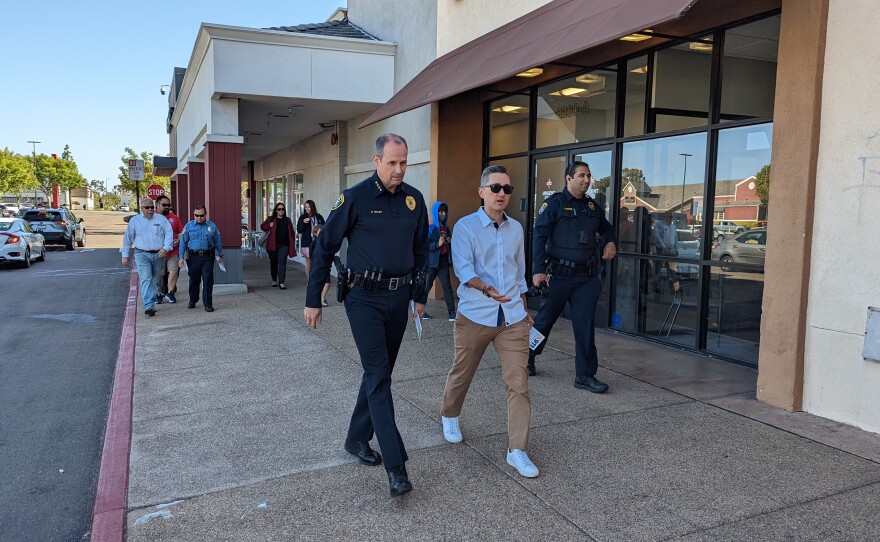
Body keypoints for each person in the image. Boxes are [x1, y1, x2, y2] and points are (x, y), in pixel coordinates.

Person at [304, 133, 429, 497]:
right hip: (363, 300)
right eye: (392, 163)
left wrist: (419, 296)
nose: (399, 170)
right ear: (377, 161)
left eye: (403, 163)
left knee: (379, 374)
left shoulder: (413, 200)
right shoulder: (355, 197)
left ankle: (356, 438)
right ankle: (396, 467)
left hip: (399, 298)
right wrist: (314, 298)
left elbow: (422, 251)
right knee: (378, 376)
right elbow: (324, 246)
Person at [440, 165, 539, 478]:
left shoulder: (516, 229)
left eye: (506, 189)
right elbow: (463, 270)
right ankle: (450, 413)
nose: (501, 194)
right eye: (495, 188)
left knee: (518, 384)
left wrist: (524, 310)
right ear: (481, 191)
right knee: (462, 371)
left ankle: (517, 449)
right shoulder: (466, 227)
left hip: (512, 319)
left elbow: (519, 272)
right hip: (475, 315)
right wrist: (486, 288)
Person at [529, 161, 616, 392]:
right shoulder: (554, 204)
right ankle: (527, 356)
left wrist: (610, 241)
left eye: (589, 175)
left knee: (585, 327)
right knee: (543, 322)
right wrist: (538, 270)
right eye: (581, 175)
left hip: (585, 279)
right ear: (569, 179)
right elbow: (539, 237)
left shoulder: (592, 207)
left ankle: (585, 376)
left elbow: (607, 228)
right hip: (557, 276)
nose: (586, 179)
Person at [120, 198, 173, 316]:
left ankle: (151, 301)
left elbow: (169, 233)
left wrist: (166, 248)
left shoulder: (161, 219)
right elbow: (127, 238)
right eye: (147, 208)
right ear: (141, 208)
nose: (150, 210)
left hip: (158, 254)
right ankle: (149, 305)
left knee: (155, 280)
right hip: (141, 253)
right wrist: (125, 255)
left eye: (152, 207)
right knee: (146, 278)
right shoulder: (135, 221)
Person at [178, 205, 225, 312]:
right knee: (194, 280)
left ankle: (208, 304)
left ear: (205, 214)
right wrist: (181, 257)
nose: (199, 218)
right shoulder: (189, 226)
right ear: (193, 215)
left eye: (201, 215)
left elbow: (218, 241)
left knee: (208, 279)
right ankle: (193, 299)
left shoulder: (212, 226)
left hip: (207, 257)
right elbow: (183, 243)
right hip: (193, 258)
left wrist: (221, 255)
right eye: (196, 215)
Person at [425, 201, 456, 321]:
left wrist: (448, 241)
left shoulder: (446, 227)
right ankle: (420, 309)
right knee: (426, 286)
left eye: (444, 212)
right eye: (440, 211)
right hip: (431, 262)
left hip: (443, 261)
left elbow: (449, 244)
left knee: (447, 287)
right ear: (435, 212)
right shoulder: (430, 228)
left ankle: (451, 312)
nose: (443, 214)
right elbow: (425, 246)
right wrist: (437, 244)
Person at [260, 202, 297, 289]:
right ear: (276, 210)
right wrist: (269, 225)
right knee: (273, 263)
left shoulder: (287, 220)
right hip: (272, 245)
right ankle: (274, 280)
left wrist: (292, 242)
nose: (281, 211)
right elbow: (262, 226)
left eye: (282, 209)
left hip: (284, 245)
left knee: (282, 263)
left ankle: (281, 282)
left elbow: (291, 232)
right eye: (279, 209)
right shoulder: (271, 219)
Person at [155, 195, 183, 304]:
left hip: (173, 251)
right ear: (157, 205)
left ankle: (170, 293)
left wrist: (179, 240)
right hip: (159, 252)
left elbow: (180, 232)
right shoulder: (153, 217)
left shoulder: (174, 218)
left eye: (168, 205)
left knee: (174, 271)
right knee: (160, 275)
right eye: (164, 205)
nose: (167, 207)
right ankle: (159, 294)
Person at [296, 199, 325, 279]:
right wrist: (303, 222)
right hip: (307, 243)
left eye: (309, 207)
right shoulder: (303, 217)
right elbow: (299, 230)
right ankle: (309, 280)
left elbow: (324, 227)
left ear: (312, 207)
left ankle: (316, 278)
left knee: (316, 261)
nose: (307, 209)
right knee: (309, 262)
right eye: (305, 207)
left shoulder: (318, 217)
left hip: (317, 243)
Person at [309, 224, 331, 306]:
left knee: (327, 283)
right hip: (317, 266)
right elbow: (311, 256)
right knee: (318, 283)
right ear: (315, 234)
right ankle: (318, 298)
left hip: (326, 265)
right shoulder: (313, 244)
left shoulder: (327, 243)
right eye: (320, 232)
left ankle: (322, 298)